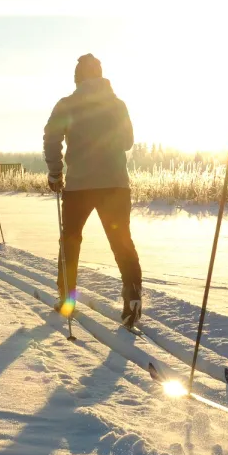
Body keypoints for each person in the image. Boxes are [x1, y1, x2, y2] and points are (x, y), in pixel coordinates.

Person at [43, 54, 143, 328]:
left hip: (79, 185)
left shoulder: (67, 104)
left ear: (78, 79)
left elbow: (51, 137)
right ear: (101, 76)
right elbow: (127, 142)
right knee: (122, 240)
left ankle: (67, 298)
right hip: (115, 185)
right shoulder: (117, 105)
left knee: (71, 240)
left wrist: (55, 173)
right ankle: (132, 297)